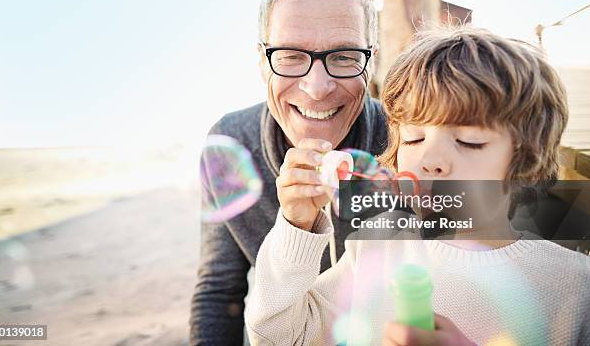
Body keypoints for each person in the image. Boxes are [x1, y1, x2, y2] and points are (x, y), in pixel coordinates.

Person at [245, 27, 590, 345]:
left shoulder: (575, 285)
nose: (430, 158)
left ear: (526, 162)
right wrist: (296, 225)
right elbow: (280, 336)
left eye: (469, 141)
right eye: (413, 138)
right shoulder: (376, 250)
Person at [190, 0, 388, 345]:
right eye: (291, 55)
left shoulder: (408, 141)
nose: (317, 87)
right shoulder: (232, 142)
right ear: (263, 62)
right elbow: (219, 291)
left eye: (345, 56)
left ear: (371, 59)